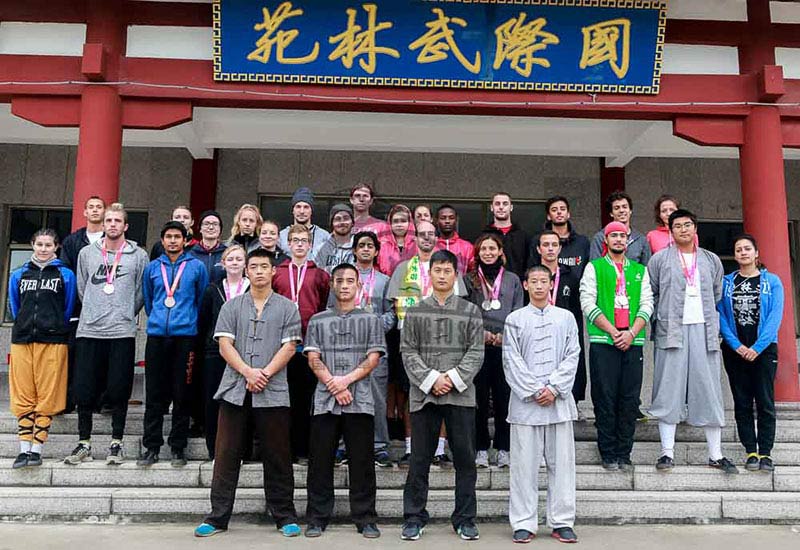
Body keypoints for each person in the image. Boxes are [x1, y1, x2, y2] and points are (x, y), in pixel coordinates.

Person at [193, 248, 302, 539]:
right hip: (235, 389)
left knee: (278, 455)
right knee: (226, 453)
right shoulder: (231, 306)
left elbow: (290, 346)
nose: (259, 271)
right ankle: (217, 517)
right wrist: (248, 372)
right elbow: (224, 345)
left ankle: (284, 515)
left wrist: (264, 373)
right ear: (246, 271)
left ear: (273, 271)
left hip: (274, 390)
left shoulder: (287, 307)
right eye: (253, 266)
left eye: (264, 266)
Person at [400, 250, 484, 542]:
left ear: (455, 274)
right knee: (420, 459)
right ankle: (413, 516)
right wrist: (433, 379)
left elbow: (476, 351)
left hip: (460, 396)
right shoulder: (415, 311)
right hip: (424, 395)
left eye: (448, 271)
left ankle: (464, 518)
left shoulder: (470, 311)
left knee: (464, 459)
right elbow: (407, 350)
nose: (442, 275)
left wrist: (452, 378)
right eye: (437, 270)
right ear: (430, 274)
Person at [647, 209, 738, 474]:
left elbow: (717, 292)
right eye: (677, 226)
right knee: (668, 388)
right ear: (670, 231)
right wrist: (663, 314)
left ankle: (716, 454)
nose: (683, 230)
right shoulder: (660, 259)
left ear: (695, 228)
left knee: (708, 389)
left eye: (687, 225)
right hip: (672, 329)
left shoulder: (710, 260)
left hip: (704, 330)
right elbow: (652, 291)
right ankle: (666, 452)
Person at [303, 263, 386, 539]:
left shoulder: (371, 320)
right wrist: (333, 384)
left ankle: (365, 518)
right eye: (340, 281)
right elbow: (313, 358)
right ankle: (317, 517)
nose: (345, 285)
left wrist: (344, 382)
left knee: (362, 461)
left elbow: (373, 358)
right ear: (333, 285)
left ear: (359, 286)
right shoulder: (317, 320)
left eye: (351, 280)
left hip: (359, 399)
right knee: (320, 461)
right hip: (325, 401)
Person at [64, 203, 148, 465]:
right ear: (103, 224)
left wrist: (123, 312)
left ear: (125, 226)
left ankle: (116, 443)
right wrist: (95, 310)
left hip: (121, 331)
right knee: (84, 388)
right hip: (90, 329)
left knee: (119, 387)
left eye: (117, 221)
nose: (112, 224)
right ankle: (84, 443)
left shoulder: (138, 255)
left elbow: (140, 292)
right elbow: (82, 288)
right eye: (108, 220)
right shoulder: (88, 253)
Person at [503, 265, 581, 544]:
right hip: (526, 405)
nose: (538, 286)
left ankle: (562, 521)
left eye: (543, 281)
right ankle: (524, 522)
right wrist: (535, 389)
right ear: (525, 285)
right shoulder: (514, 319)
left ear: (551, 284)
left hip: (558, 404)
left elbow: (573, 355)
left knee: (562, 466)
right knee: (524, 467)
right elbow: (511, 360)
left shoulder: (566, 318)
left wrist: (555, 388)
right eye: (533, 281)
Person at [387, 222, 466, 467]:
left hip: (445, 339)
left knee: (445, 392)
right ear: (415, 238)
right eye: (422, 234)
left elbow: (459, 302)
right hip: (412, 340)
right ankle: (413, 448)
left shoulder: (447, 267)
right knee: (414, 393)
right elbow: (394, 304)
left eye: (431, 234)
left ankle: (440, 450)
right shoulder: (403, 268)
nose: (427, 239)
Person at [580, 222, 653, 471]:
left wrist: (631, 333)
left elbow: (647, 304)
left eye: (623, 236)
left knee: (629, 399)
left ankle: (625, 452)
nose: (619, 240)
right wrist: (613, 332)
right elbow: (587, 303)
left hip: (633, 342)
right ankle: (608, 452)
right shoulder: (594, 267)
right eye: (614, 236)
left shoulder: (640, 270)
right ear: (606, 240)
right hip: (604, 341)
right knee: (605, 397)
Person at [139, 221, 208, 467]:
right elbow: (149, 300)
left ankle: (178, 447)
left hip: (185, 337)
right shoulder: (152, 268)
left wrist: (186, 321)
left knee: (182, 393)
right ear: (162, 240)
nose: (172, 241)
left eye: (177, 237)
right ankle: (152, 446)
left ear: (186, 240)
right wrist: (159, 319)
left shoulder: (196, 267)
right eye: (168, 236)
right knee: (155, 393)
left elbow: (200, 301)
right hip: (157, 336)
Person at [8, 229, 76, 469]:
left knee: (47, 395)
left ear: (56, 247)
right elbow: (15, 307)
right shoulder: (18, 274)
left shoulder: (65, 274)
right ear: (32, 245)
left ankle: (37, 449)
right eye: (39, 244)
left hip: (53, 340)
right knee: (23, 394)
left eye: (49, 244)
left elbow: (67, 308)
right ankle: (23, 449)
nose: (44, 248)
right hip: (23, 339)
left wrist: (54, 326)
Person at [718, 234, 783, 472]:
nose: (743, 253)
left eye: (747, 249)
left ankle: (766, 452)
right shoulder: (726, 282)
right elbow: (721, 317)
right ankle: (751, 451)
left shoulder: (772, 281)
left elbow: (775, 317)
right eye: (739, 249)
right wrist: (737, 346)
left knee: (765, 401)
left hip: (764, 351)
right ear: (734, 255)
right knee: (742, 401)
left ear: (756, 253)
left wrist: (756, 348)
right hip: (735, 350)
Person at [331, 231, 396, 467]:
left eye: (370, 246)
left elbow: (392, 314)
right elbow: (332, 309)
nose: (366, 249)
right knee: (344, 396)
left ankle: (379, 446)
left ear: (377, 251)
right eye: (361, 246)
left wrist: (373, 325)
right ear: (354, 251)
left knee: (377, 398)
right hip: (346, 347)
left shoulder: (384, 281)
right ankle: (344, 446)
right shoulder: (342, 279)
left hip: (375, 348)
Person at [464, 234, 523, 469]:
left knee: (503, 399)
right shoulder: (469, 280)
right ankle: (479, 448)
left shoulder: (513, 280)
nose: (488, 253)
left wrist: (504, 336)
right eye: (483, 249)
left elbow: (518, 311)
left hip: (505, 347)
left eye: (492, 248)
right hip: (477, 347)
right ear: (477, 254)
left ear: (500, 251)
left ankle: (503, 448)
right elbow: (464, 313)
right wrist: (481, 334)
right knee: (478, 401)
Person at [272, 224, 330, 463]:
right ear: (288, 244)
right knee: (280, 400)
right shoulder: (278, 272)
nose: (298, 244)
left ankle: (303, 450)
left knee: (304, 399)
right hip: (281, 345)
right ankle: (281, 449)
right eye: (294, 240)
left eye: (303, 241)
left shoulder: (319, 274)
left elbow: (323, 303)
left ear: (309, 245)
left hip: (308, 346)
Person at [197, 245, 250, 459]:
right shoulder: (213, 289)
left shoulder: (253, 288)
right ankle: (214, 449)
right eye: (231, 259)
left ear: (245, 264)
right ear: (224, 263)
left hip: (245, 352)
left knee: (243, 402)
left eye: (239, 259)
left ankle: (243, 451)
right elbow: (204, 321)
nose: (235, 262)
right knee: (213, 402)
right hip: (215, 352)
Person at [60, 195, 106, 413]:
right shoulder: (72, 242)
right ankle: (69, 400)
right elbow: (66, 274)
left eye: (99, 207)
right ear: (85, 212)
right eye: (91, 207)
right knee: (74, 355)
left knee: (100, 356)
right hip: (78, 309)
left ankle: (98, 401)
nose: (95, 210)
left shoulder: (113, 240)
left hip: (107, 308)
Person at [537, 231, 586, 412]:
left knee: (565, 367)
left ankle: (571, 402)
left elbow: (575, 310)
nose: (550, 249)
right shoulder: (532, 276)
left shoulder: (571, 277)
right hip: (537, 331)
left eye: (554, 245)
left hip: (562, 333)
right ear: (538, 249)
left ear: (560, 248)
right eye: (545, 245)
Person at [529, 196, 591, 277]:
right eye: (554, 210)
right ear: (548, 216)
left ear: (568, 214)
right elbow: (532, 268)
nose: (559, 212)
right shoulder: (537, 240)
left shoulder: (582, 242)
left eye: (562, 209)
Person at [590, 191, 651, 265]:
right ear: (611, 213)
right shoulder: (600, 238)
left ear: (630, 210)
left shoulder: (641, 240)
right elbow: (595, 267)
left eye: (625, 207)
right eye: (617, 208)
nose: (621, 210)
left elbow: (646, 269)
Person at [483, 192, 529, 280]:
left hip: (518, 287)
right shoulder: (483, 235)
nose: (501, 207)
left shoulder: (523, 236)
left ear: (511, 207)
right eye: (497, 204)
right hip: (490, 286)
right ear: (492, 208)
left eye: (505, 204)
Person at [279, 187, 331, 259]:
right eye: (298, 207)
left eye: (306, 207)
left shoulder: (324, 236)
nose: (302, 211)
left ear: (311, 210)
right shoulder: (281, 236)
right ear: (293, 210)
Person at [188, 210, 227, 284]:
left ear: (220, 229)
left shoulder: (227, 254)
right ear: (200, 228)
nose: (211, 227)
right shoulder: (190, 254)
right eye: (206, 224)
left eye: (215, 224)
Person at [313, 203, 355, 273]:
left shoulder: (359, 246)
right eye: (338, 219)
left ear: (353, 222)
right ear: (331, 223)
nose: (342, 222)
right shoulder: (321, 249)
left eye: (346, 218)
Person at [377, 204, 417, 276]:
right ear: (390, 224)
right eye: (395, 221)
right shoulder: (381, 245)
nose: (399, 225)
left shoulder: (417, 244)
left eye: (403, 221)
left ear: (410, 223)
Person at [436, 204, 474, 276]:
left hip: (460, 286)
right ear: (437, 221)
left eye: (451, 218)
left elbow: (473, 272)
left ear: (456, 220)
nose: (447, 221)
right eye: (443, 218)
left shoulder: (467, 247)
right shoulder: (432, 246)